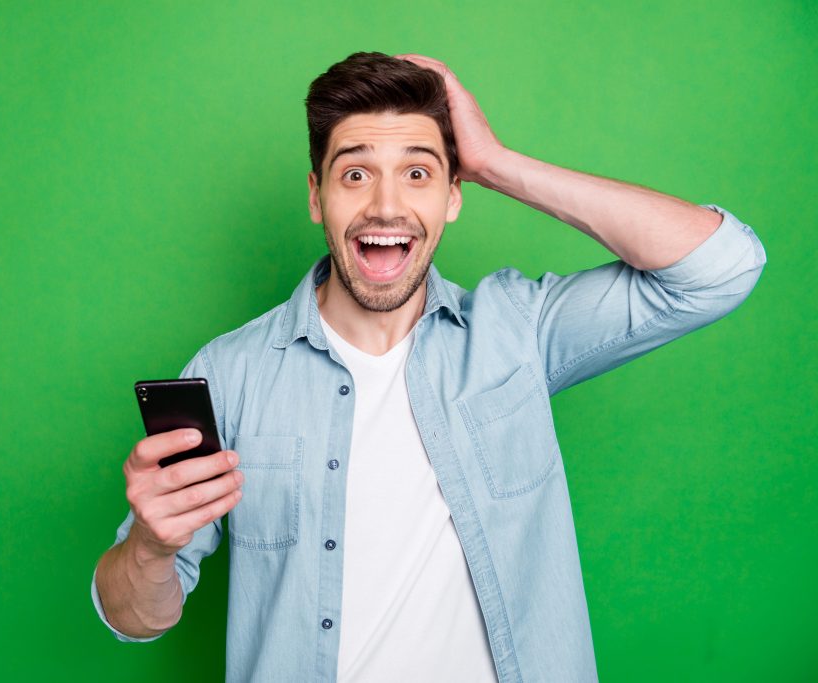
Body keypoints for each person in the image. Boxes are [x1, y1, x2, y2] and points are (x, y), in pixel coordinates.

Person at [91, 51, 766, 682]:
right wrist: (150, 546)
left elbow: (721, 268)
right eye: (356, 174)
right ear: (317, 197)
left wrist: (496, 161)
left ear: (454, 194)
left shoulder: (518, 332)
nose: (386, 206)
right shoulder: (229, 373)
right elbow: (134, 618)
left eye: (417, 173)